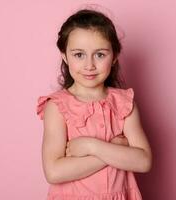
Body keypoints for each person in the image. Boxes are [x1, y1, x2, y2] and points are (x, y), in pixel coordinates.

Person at [36, 8, 152, 200]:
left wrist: (92, 146)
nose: (89, 65)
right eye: (79, 55)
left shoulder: (124, 104)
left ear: (114, 56)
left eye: (100, 54)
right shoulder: (56, 107)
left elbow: (143, 161)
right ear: (64, 55)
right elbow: (54, 172)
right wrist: (114, 150)